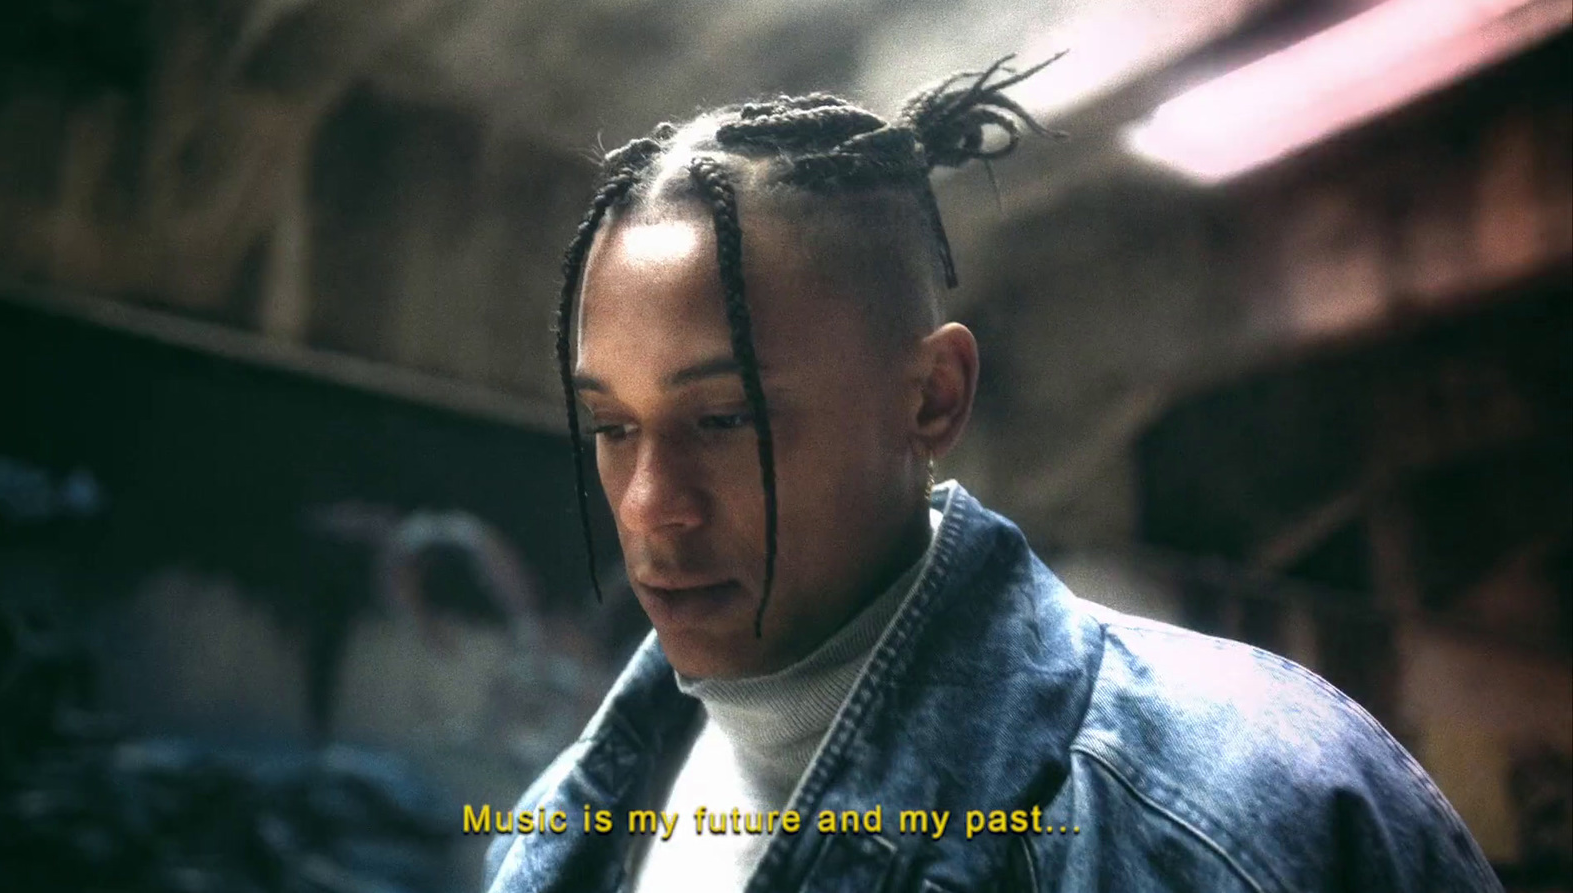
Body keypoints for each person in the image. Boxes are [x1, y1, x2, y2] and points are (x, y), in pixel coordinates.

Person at [483, 58, 1500, 892]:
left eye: (724, 416)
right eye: (611, 426)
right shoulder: (553, 828)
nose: (652, 502)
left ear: (931, 397)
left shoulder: (1246, 808)